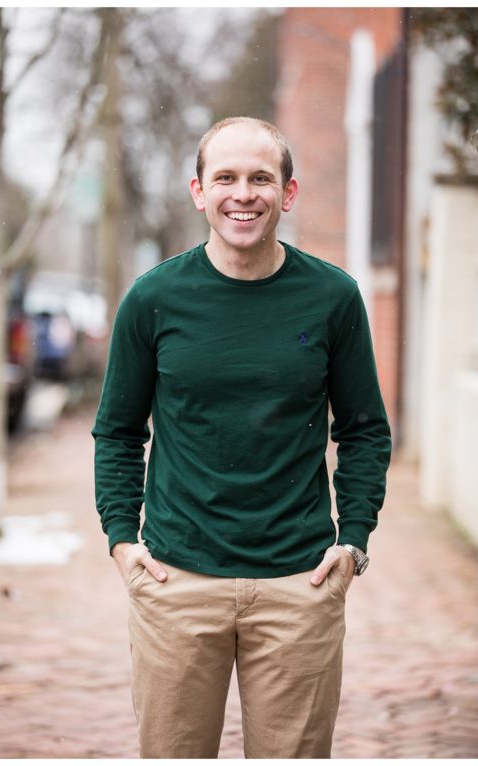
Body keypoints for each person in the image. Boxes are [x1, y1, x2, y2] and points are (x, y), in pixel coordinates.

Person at [92, 116, 392, 757]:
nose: (243, 193)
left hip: (300, 585)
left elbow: (365, 429)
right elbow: (118, 432)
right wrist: (122, 540)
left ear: (288, 193)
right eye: (225, 177)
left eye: (261, 177)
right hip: (176, 582)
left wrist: (354, 541)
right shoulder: (153, 300)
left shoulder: (333, 297)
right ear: (198, 191)